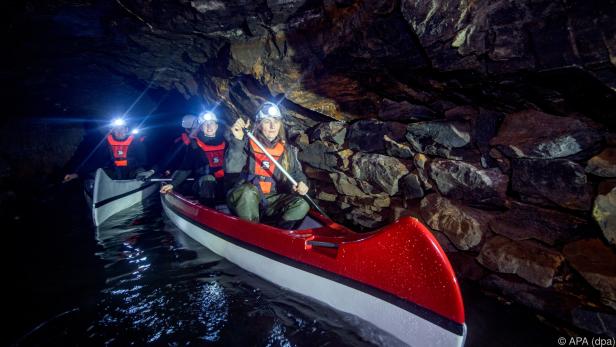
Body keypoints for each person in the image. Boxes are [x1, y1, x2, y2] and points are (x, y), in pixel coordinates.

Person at [225, 101, 309, 229]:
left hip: (270, 198)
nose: (272, 126)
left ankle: (280, 234)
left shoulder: (286, 149)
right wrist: (237, 141)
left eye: (276, 121)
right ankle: (250, 232)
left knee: (302, 204)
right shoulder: (245, 143)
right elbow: (231, 169)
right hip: (243, 197)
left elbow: (295, 173)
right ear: (258, 124)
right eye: (266, 121)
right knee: (248, 192)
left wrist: (301, 182)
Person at [160, 111, 226, 206]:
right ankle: (208, 210)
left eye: (211, 123)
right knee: (208, 179)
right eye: (205, 124)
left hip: (222, 183)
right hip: (202, 185)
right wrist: (173, 184)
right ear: (201, 128)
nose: (209, 127)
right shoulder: (194, 145)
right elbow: (185, 168)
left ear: (216, 126)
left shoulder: (226, 142)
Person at [63, 117, 151, 182]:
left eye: (122, 128)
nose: (119, 131)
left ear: (126, 129)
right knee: (95, 175)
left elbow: (143, 161)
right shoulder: (106, 142)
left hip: (132, 171)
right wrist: (77, 174)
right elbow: (95, 161)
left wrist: (145, 171)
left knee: (141, 173)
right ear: (112, 130)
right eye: (116, 129)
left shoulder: (136, 142)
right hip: (113, 172)